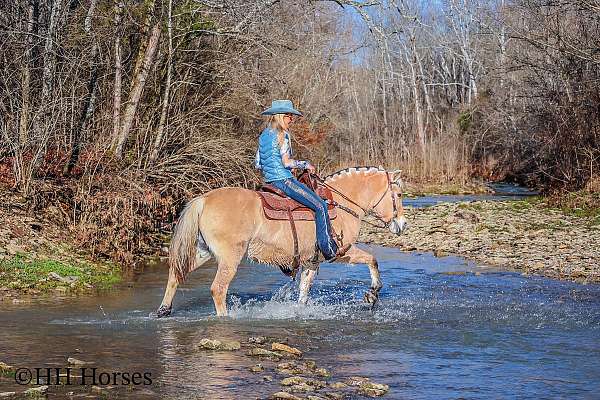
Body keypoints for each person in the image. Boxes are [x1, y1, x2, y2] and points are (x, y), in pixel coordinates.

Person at [255, 100, 350, 261]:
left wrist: (273, 167)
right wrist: (305, 164)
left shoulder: (263, 135)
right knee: (320, 206)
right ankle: (328, 250)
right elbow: (286, 162)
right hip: (284, 181)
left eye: (291, 116)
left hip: (269, 182)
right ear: (280, 116)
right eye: (289, 116)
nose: (291, 119)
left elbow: (258, 163)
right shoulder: (282, 135)